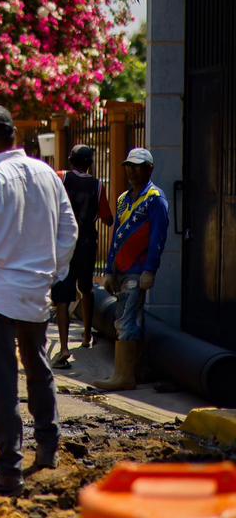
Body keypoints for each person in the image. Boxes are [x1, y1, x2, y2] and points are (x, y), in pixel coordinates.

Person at [0, 104, 78, 495]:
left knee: (1, 380)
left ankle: (10, 470)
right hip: (35, 291)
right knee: (38, 366)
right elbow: (68, 228)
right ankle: (48, 446)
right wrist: (53, 271)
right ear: (14, 135)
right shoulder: (47, 175)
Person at [94, 147, 169, 391]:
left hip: (138, 270)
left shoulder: (155, 198)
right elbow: (116, 235)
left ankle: (123, 376)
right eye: (129, 166)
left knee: (126, 320)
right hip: (121, 269)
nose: (132, 171)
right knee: (127, 318)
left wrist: (150, 270)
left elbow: (158, 238)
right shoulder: (124, 199)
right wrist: (108, 270)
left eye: (137, 167)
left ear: (149, 169)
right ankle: (136, 370)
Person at [49, 145, 114, 369]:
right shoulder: (97, 186)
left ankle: (64, 346)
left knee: (62, 296)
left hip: (63, 245)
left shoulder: (60, 177)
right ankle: (86, 336)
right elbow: (108, 218)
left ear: (70, 159)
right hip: (87, 244)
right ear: (90, 163)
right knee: (86, 289)